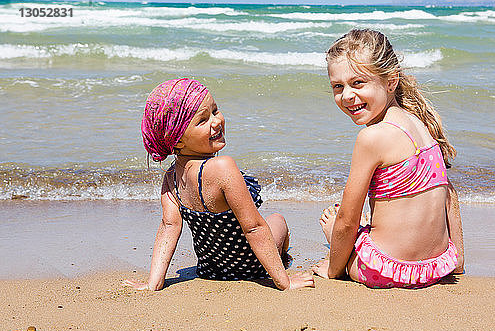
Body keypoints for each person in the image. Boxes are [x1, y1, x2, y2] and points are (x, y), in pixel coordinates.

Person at [123, 78, 314, 291]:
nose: (216, 121)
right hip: (252, 267)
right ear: (177, 140)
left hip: (210, 270)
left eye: (215, 110)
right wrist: (285, 283)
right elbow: (253, 228)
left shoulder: (171, 177)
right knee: (277, 220)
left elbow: (169, 227)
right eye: (202, 120)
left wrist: (154, 283)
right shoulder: (223, 167)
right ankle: (281, 264)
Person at [312, 29, 464, 288]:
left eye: (358, 83)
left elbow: (348, 220)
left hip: (387, 270)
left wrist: (334, 268)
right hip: (438, 266)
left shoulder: (372, 137)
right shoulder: (421, 124)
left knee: (336, 221)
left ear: (391, 81)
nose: (347, 95)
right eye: (338, 86)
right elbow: (450, 196)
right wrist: (456, 259)